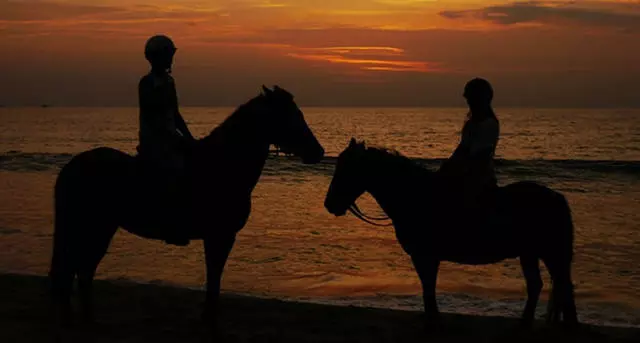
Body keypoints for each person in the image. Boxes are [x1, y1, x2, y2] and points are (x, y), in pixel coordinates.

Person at [137, 34, 195, 246]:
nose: (170, 60)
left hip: (170, 138)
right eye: (167, 55)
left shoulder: (170, 82)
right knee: (175, 169)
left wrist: (189, 138)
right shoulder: (147, 83)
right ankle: (171, 224)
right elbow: (153, 117)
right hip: (155, 140)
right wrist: (174, 138)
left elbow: (175, 114)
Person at [438, 78, 500, 212]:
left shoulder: (488, 124)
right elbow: (462, 148)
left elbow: (479, 157)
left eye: (471, 98)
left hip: (479, 181)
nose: (468, 102)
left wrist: (460, 171)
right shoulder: (471, 123)